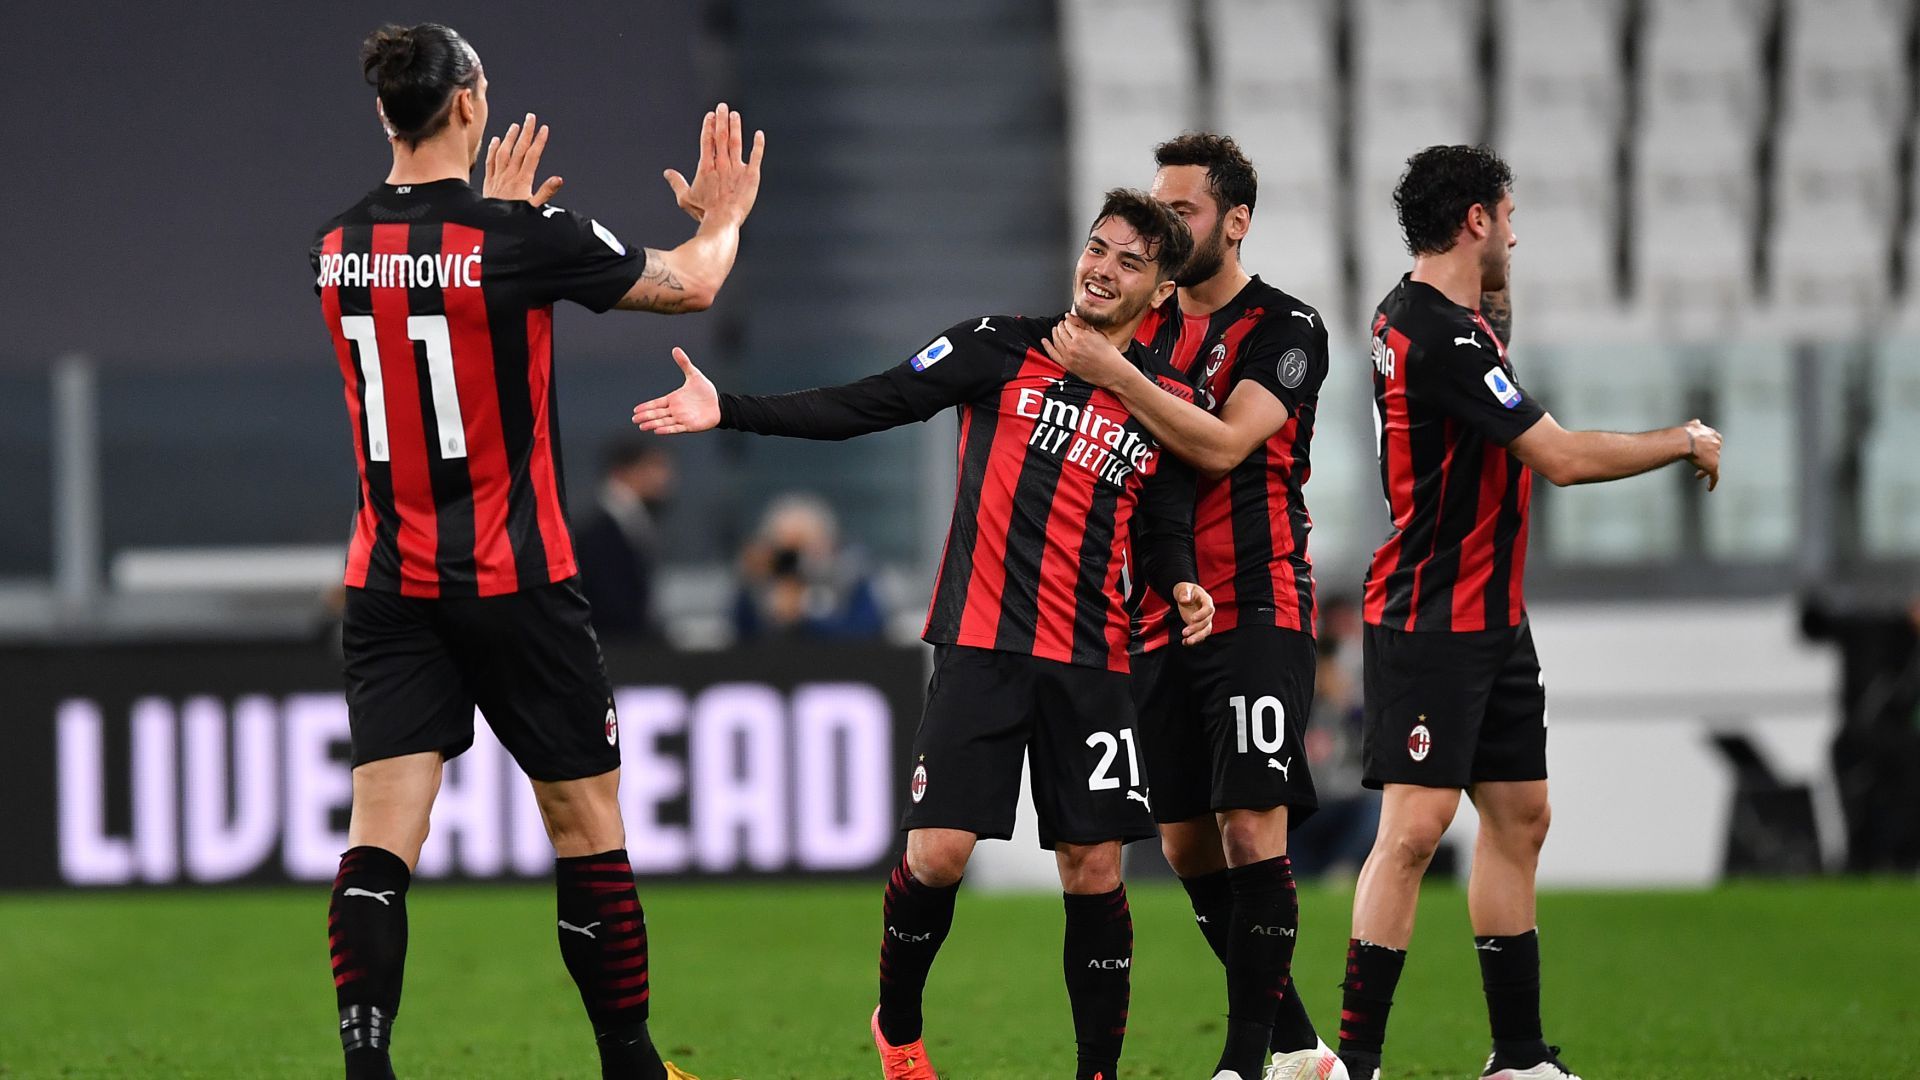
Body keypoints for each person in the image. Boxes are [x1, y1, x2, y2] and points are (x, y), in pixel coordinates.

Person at [634, 189, 1215, 1080]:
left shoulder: (1163, 400)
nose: (1102, 269)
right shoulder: (997, 345)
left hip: (1094, 660)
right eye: (1097, 249)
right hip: (982, 642)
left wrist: (1179, 579)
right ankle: (898, 1027)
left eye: (1130, 261)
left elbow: (1166, 513)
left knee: (1094, 867)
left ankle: (1097, 1072)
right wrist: (733, 409)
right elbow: (875, 401)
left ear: (1163, 292)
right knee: (937, 854)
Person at [309, 22, 763, 1080]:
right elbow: (691, 282)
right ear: (468, 104)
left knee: (382, 835)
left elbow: (441, 295)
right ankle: (632, 1065)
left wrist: (507, 220)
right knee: (586, 822)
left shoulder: (334, 246)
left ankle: (367, 1068)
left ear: (388, 112)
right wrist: (727, 216)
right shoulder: (518, 240)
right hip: (517, 576)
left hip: (388, 581)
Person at [1333, 145, 1722, 1080]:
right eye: (1506, 215)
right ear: (1476, 219)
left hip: (1492, 617)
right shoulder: (1442, 336)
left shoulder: (1426, 312)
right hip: (1430, 617)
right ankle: (1355, 1064)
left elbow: (1489, 339)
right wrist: (1685, 438)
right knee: (1413, 834)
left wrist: (1493, 294)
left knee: (1520, 817)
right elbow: (1563, 459)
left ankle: (1516, 1059)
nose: (1515, 231)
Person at [1041, 133, 1343, 1080]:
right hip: (1154, 611)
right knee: (1182, 840)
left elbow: (1222, 447)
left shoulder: (1288, 328)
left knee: (1252, 822)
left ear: (1235, 221)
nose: (1165, 227)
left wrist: (1117, 375)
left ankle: (1245, 1060)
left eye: (1184, 212)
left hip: (1255, 599)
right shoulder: (1150, 318)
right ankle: (1300, 1048)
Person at [731, 492, 887, 641]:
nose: (795, 558)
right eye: (786, 549)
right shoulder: (758, 582)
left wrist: (804, 618)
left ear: (826, 543)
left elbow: (866, 631)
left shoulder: (850, 574)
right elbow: (741, 634)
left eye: (803, 545)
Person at [575, 438, 675, 641]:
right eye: (654, 467)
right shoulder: (598, 533)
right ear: (623, 471)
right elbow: (610, 605)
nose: (665, 478)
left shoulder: (633, 524)